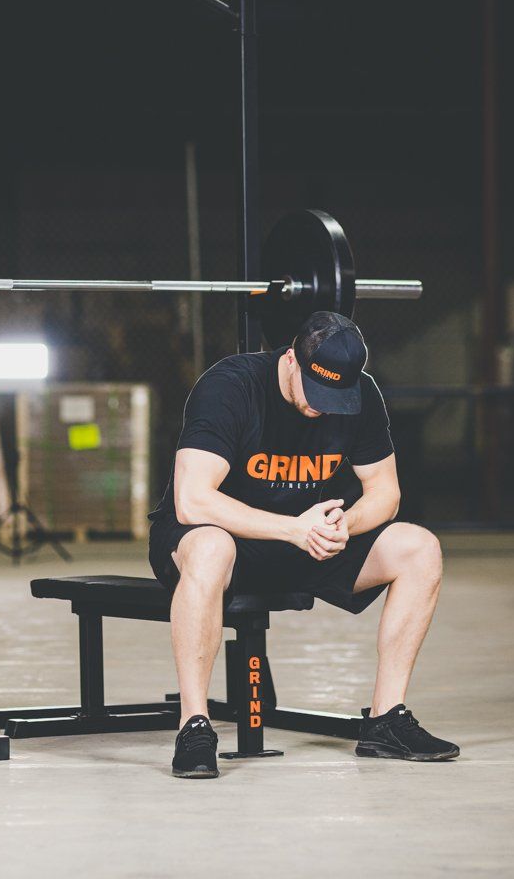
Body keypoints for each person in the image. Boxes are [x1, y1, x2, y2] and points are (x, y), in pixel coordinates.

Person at [148, 311, 459, 778]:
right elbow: (193, 501)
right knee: (213, 548)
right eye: (315, 392)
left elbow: (386, 492)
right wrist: (292, 528)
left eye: (335, 397)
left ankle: (385, 721)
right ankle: (194, 725)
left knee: (419, 548)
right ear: (292, 358)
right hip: (219, 536)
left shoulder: (362, 395)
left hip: (305, 537)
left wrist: (343, 525)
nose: (321, 407)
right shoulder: (231, 386)